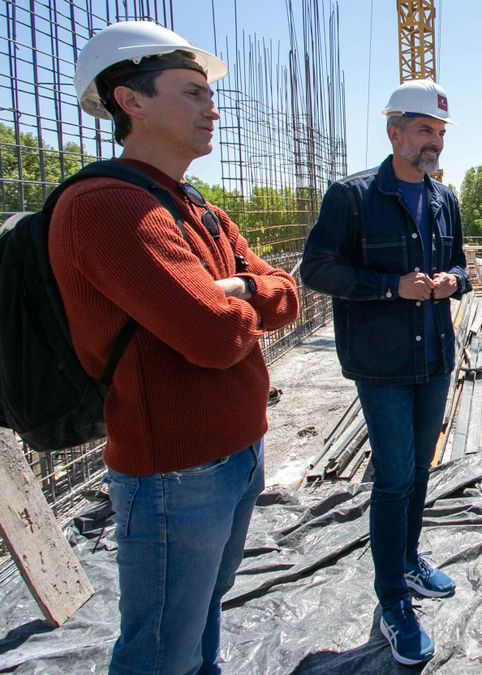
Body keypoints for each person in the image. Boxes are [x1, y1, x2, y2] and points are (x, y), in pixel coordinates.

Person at [49, 21, 300, 674]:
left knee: (201, 619)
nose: (212, 107)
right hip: (174, 474)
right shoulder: (107, 206)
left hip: (238, 453)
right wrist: (247, 300)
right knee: (162, 648)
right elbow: (216, 337)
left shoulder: (197, 208)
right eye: (191, 92)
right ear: (129, 101)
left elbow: (288, 296)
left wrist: (240, 285)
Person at [299, 78, 469, 666]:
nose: (436, 143)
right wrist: (389, 287)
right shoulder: (351, 197)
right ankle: (392, 598)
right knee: (393, 478)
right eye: (426, 130)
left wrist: (454, 282)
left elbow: (461, 268)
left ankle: (406, 558)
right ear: (394, 132)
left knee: (418, 471)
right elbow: (316, 269)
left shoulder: (444, 199)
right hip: (382, 363)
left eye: (441, 133)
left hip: (434, 357)